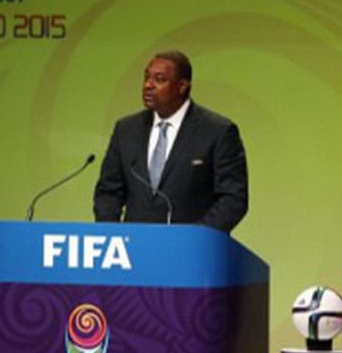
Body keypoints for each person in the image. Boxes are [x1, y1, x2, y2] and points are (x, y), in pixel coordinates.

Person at [93, 51, 248, 233]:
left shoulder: (217, 131)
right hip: (133, 245)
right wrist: (113, 235)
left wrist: (195, 238)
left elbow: (233, 199)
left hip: (191, 247)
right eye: (147, 77)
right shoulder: (126, 129)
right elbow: (108, 193)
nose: (148, 85)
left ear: (182, 86)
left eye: (159, 79)